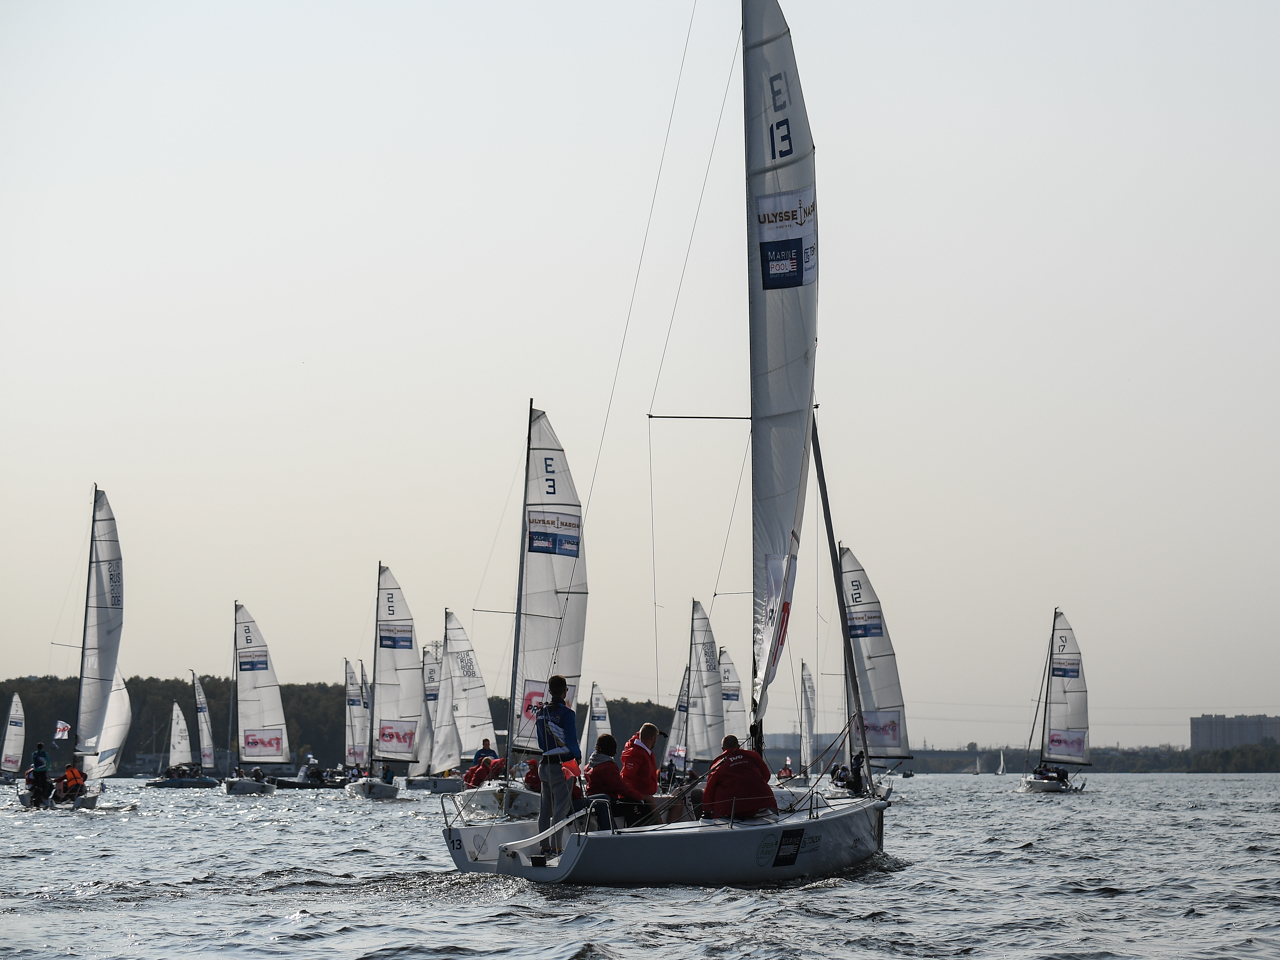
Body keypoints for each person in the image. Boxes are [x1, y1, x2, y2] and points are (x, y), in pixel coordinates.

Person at [534, 675, 580, 854]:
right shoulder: (568, 714)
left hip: (544, 765)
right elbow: (572, 741)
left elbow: (540, 741)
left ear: (550, 691)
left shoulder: (540, 713)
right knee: (561, 807)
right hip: (562, 765)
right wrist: (578, 757)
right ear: (565, 691)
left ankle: (544, 847)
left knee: (545, 809)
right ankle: (557, 848)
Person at [584, 733, 656, 827]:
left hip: (594, 802)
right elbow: (621, 788)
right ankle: (636, 830)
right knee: (634, 803)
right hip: (608, 803)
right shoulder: (608, 766)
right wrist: (639, 797)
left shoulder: (590, 765)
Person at [702, 735, 777, 820]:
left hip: (729, 810)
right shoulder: (753, 756)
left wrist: (706, 812)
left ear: (723, 749)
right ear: (738, 746)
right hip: (758, 805)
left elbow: (709, 791)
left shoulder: (718, 765)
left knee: (698, 793)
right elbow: (766, 776)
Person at [620, 723, 661, 800]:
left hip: (645, 795)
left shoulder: (645, 751)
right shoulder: (636, 754)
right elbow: (626, 778)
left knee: (677, 801)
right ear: (653, 738)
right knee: (676, 803)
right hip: (639, 798)